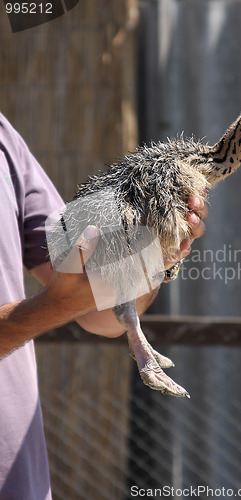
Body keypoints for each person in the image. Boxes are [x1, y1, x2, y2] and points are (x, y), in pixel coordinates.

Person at [0, 112, 207, 499]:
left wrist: (155, 260)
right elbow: (75, 296)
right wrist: (55, 306)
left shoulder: (3, 139)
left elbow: (98, 312)